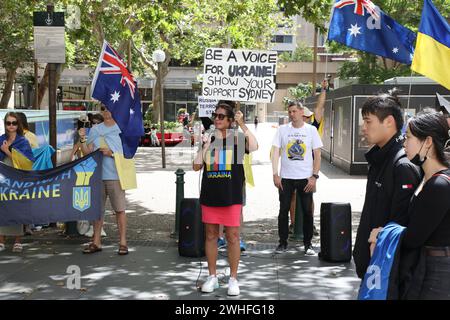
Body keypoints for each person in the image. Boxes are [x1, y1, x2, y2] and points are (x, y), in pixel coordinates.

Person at [370, 111, 450, 299]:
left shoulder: (440, 185)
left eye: (409, 137)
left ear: (428, 142)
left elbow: (414, 237)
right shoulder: (426, 177)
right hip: (422, 266)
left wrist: (382, 235)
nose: (404, 143)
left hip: (437, 273)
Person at [353, 90, 422, 279]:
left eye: (368, 121)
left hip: (385, 267)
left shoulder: (402, 165)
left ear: (389, 121)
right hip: (371, 263)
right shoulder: (380, 158)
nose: (363, 128)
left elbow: (401, 224)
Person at [193, 102, 258, 296]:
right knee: (211, 235)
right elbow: (196, 166)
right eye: (215, 115)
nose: (217, 118)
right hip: (210, 195)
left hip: (231, 196)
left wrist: (243, 125)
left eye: (221, 116)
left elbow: (254, 146)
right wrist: (204, 146)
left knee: (233, 237)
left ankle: (233, 279)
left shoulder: (237, 138)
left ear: (230, 121)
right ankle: (212, 276)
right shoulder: (209, 137)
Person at [271, 100, 323, 255]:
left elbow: (317, 155)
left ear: (302, 112)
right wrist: (275, 174)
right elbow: (275, 152)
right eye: (289, 112)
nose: (292, 114)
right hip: (286, 178)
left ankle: (308, 245)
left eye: (294, 111)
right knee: (283, 211)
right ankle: (282, 243)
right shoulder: (282, 130)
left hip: (305, 178)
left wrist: (314, 176)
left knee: (307, 212)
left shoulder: (311, 130)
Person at [78, 105, 128, 255]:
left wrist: (111, 153)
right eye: (103, 108)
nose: (106, 111)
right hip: (97, 176)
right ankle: (96, 241)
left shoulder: (122, 129)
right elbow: (87, 152)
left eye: (109, 108)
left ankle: (123, 242)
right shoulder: (95, 130)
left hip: (115, 175)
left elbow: (129, 153)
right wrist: (81, 139)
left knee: (119, 209)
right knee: (97, 211)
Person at [288, 80, 328, 236]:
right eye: (306, 115)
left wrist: (324, 89)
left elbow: (319, 108)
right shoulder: (288, 129)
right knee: (292, 196)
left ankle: (309, 224)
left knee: (308, 196)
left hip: (309, 169)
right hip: (291, 169)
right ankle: (293, 224)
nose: (308, 117)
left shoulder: (313, 128)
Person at [0, 112, 34, 253]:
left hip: (17, 177)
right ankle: (1, 240)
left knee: (16, 207)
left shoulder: (23, 141)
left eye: (14, 123)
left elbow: (26, 162)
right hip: (2, 177)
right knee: (2, 207)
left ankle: (17, 240)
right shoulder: (1, 139)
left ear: (18, 124)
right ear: (5, 124)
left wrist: (7, 151)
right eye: (8, 123)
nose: (11, 126)